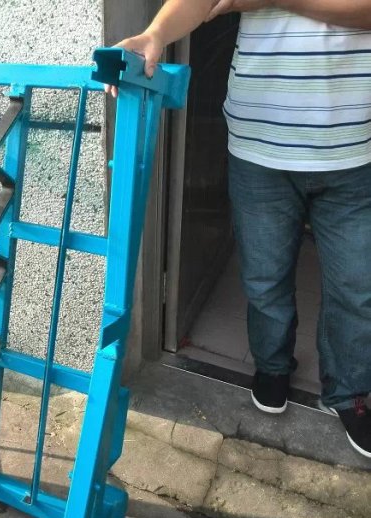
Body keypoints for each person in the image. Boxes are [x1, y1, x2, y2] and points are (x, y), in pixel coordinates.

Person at [109, 0, 371, 458]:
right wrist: (156, 34)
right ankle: (272, 366)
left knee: (357, 287)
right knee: (263, 278)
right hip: (258, 148)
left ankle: (349, 392)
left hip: (353, 151)